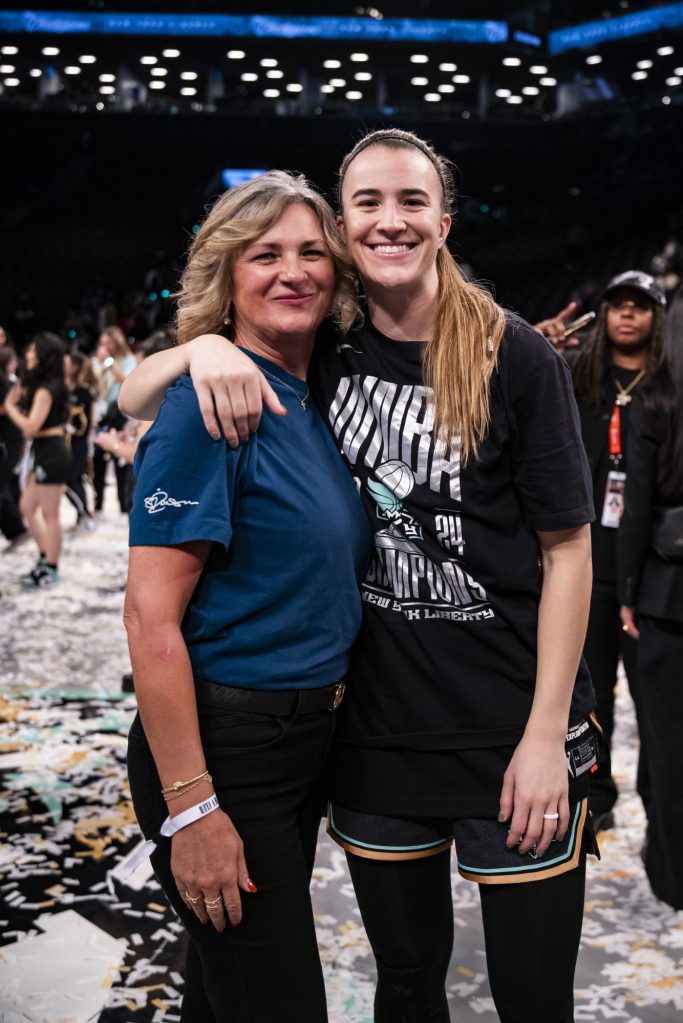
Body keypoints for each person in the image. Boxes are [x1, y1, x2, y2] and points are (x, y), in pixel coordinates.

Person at [121, 129, 599, 1023]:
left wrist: (545, 734)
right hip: (373, 737)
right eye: (367, 205)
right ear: (347, 230)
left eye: (411, 201)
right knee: (404, 984)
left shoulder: (513, 354)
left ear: (443, 221)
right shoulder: (325, 350)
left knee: (534, 997)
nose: (390, 221)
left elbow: (568, 549)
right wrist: (200, 351)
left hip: (507, 729)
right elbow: (139, 397)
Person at [123, 171, 370, 1023]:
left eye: (311, 252)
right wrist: (193, 808)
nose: (292, 271)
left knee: (227, 993)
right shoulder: (207, 406)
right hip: (224, 750)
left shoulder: (317, 392)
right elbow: (148, 619)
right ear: (227, 275)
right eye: (264, 255)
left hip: (301, 744)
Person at [539, 272, 667, 832]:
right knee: (587, 690)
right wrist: (543, 351)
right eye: (618, 305)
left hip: (651, 568)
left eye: (641, 307)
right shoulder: (578, 379)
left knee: (654, 700)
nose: (628, 315)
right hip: (584, 560)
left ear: (657, 319)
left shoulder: (670, 387)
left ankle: (663, 806)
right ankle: (597, 793)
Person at [618, 285, 683, 912]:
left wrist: (628, 591)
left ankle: (672, 872)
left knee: (669, 746)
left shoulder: (657, 398)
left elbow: (635, 508)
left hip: (667, 590)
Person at [4, 331, 71, 588]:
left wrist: (10, 407)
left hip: (51, 452)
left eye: (33, 350)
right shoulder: (44, 386)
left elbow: (31, 427)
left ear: (44, 355)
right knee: (26, 507)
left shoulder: (45, 389)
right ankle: (45, 558)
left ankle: (51, 568)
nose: (27, 354)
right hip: (44, 451)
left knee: (50, 514)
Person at [92, 325, 136, 513]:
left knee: (121, 462)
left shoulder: (127, 360)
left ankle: (124, 503)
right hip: (102, 415)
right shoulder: (98, 362)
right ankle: (98, 503)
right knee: (98, 461)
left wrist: (109, 363)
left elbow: (127, 381)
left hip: (120, 414)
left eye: (109, 343)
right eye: (102, 343)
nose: (105, 347)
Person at [64, 350, 97, 529]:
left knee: (74, 478)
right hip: (64, 441)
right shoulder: (62, 388)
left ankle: (84, 513)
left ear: (75, 367)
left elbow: (83, 420)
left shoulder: (83, 391)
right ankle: (82, 512)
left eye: (67, 363)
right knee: (68, 480)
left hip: (78, 441)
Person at [0, 347, 28, 551]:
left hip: (9, 438)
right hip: (10, 437)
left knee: (5, 485)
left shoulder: (8, 383)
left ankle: (17, 529)